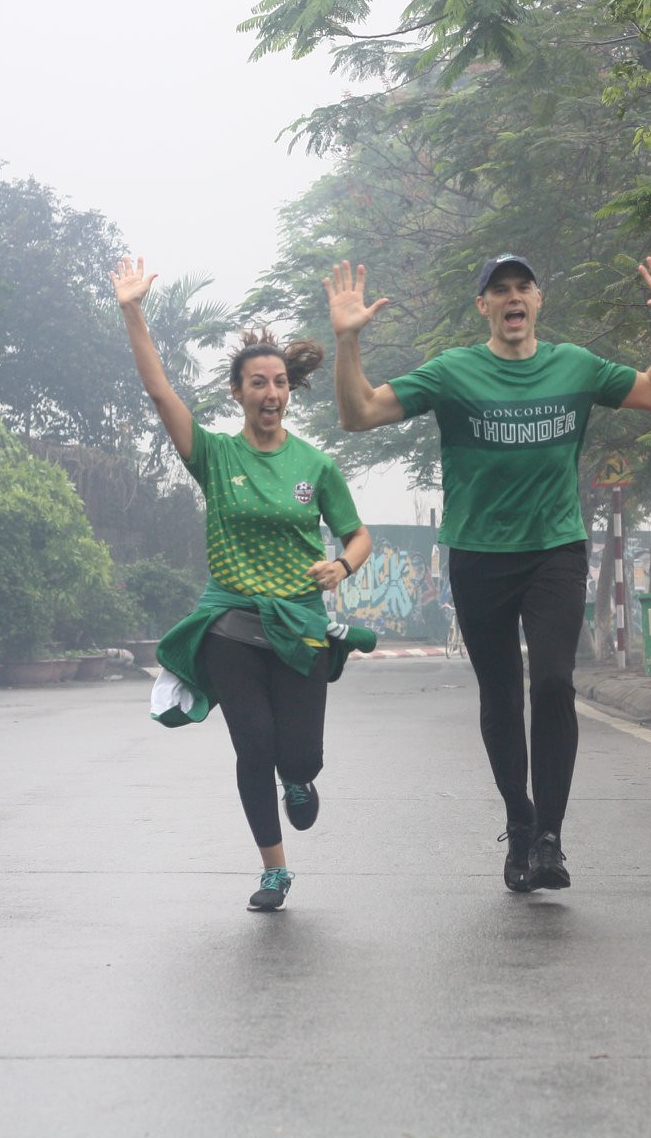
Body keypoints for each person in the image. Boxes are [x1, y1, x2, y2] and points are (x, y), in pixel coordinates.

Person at [324, 252, 651, 892]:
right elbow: (360, 413)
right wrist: (348, 340)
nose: (512, 297)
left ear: (538, 300)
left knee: (552, 683)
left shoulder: (576, 366)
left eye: (523, 286)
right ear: (484, 306)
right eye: (500, 290)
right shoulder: (453, 372)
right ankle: (519, 822)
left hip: (555, 551)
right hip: (478, 555)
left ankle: (549, 836)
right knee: (500, 698)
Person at [114, 257, 375, 913]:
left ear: (290, 391)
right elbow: (161, 395)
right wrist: (133, 311)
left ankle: (300, 778)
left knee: (301, 755)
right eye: (257, 382)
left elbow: (358, 536)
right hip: (231, 625)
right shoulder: (215, 456)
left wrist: (341, 567)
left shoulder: (314, 465)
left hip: (301, 626)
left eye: (279, 382)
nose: (270, 392)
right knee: (253, 746)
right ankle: (274, 870)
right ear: (237, 392)